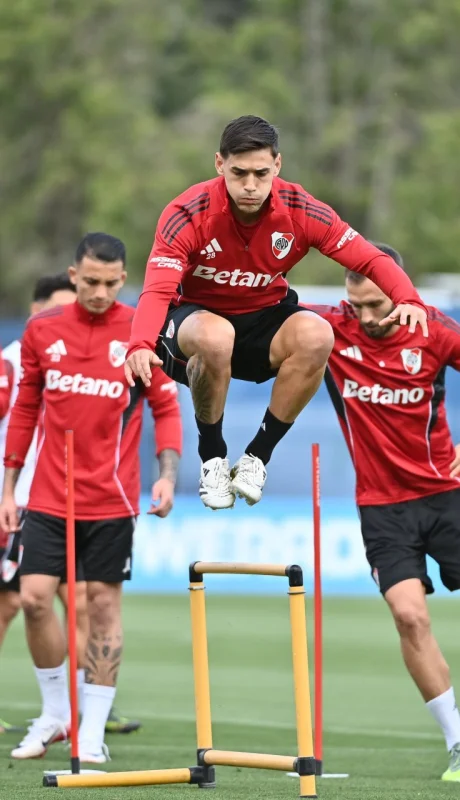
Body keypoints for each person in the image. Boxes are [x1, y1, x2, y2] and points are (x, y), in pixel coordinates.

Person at [124, 115, 428, 512]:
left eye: (261, 173)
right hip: (194, 326)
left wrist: (409, 298)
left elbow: (369, 258)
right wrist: (140, 343)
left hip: (263, 320)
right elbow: (157, 289)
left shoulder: (302, 210)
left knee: (318, 334)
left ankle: (256, 458)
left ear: (277, 165)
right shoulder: (188, 212)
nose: (250, 186)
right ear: (219, 164)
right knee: (216, 336)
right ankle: (212, 457)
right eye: (239, 173)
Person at [0, 233, 182, 763]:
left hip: (113, 498)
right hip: (47, 495)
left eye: (110, 283)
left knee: (101, 605)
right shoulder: (42, 330)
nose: (100, 293)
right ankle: (57, 714)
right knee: (34, 598)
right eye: (91, 282)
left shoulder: (143, 332)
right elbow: (25, 410)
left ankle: (93, 729)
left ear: (123, 279)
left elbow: (166, 409)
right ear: (74, 275)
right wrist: (8, 488)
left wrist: (167, 475)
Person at [305, 244, 460, 782]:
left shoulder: (436, 330)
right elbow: (260, 321)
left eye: (377, 304)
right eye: (357, 306)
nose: (367, 317)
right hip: (382, 508)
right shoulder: (329, 328)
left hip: (447, 496)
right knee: (409, 616)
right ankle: (458, 742)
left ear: (400, 290)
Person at [0, 273, 141, 735]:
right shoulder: (13, 360)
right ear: (37, 310)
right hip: (24, 498)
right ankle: (63, 709)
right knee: (14, 602)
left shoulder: (100, 349)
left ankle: (84, 707)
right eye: (58, 306)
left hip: (72, 499)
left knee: (82, 601)